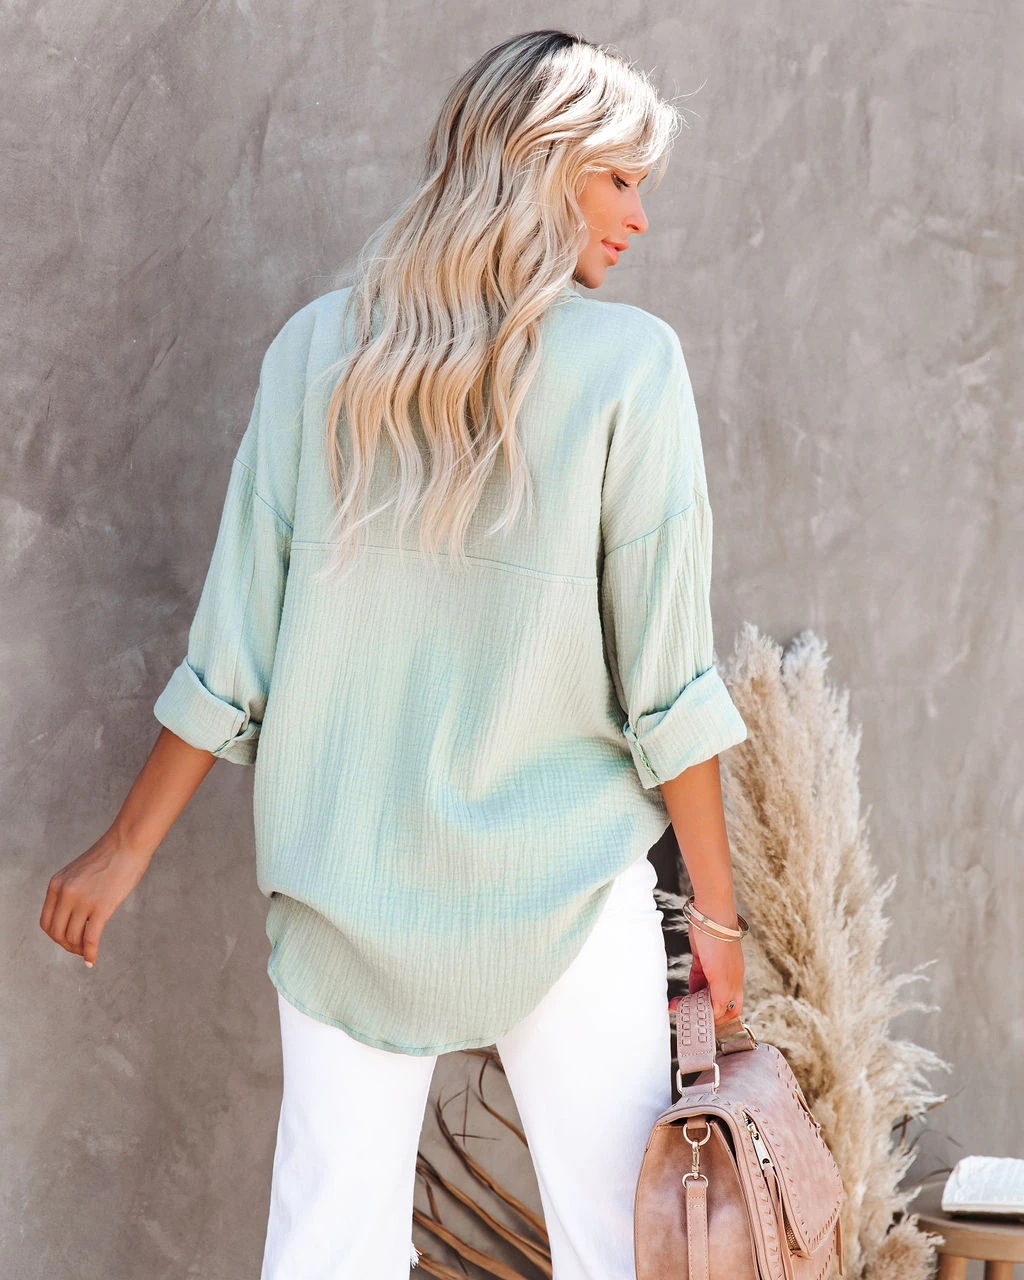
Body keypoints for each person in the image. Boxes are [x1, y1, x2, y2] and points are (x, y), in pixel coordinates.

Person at [39, 28, 750, 1280]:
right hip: (565, 884)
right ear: (538, 166)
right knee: (624, 1250)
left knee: (327, 1246)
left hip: (345, 887)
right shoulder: (632, 367)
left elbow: (233, 653)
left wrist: (125, 847)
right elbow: (668, 687)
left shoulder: (316, 351)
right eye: (618, 179)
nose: (639, 216)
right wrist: (716, 918)